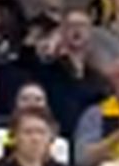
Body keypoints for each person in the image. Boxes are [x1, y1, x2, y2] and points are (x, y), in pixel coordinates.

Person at [27, 8, 108, 145]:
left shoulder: (97, 77)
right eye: (71, 25)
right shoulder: (49, 69)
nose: (77, 30)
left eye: (82, 25)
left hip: (87, 140)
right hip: (57, 138)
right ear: (62, 31)